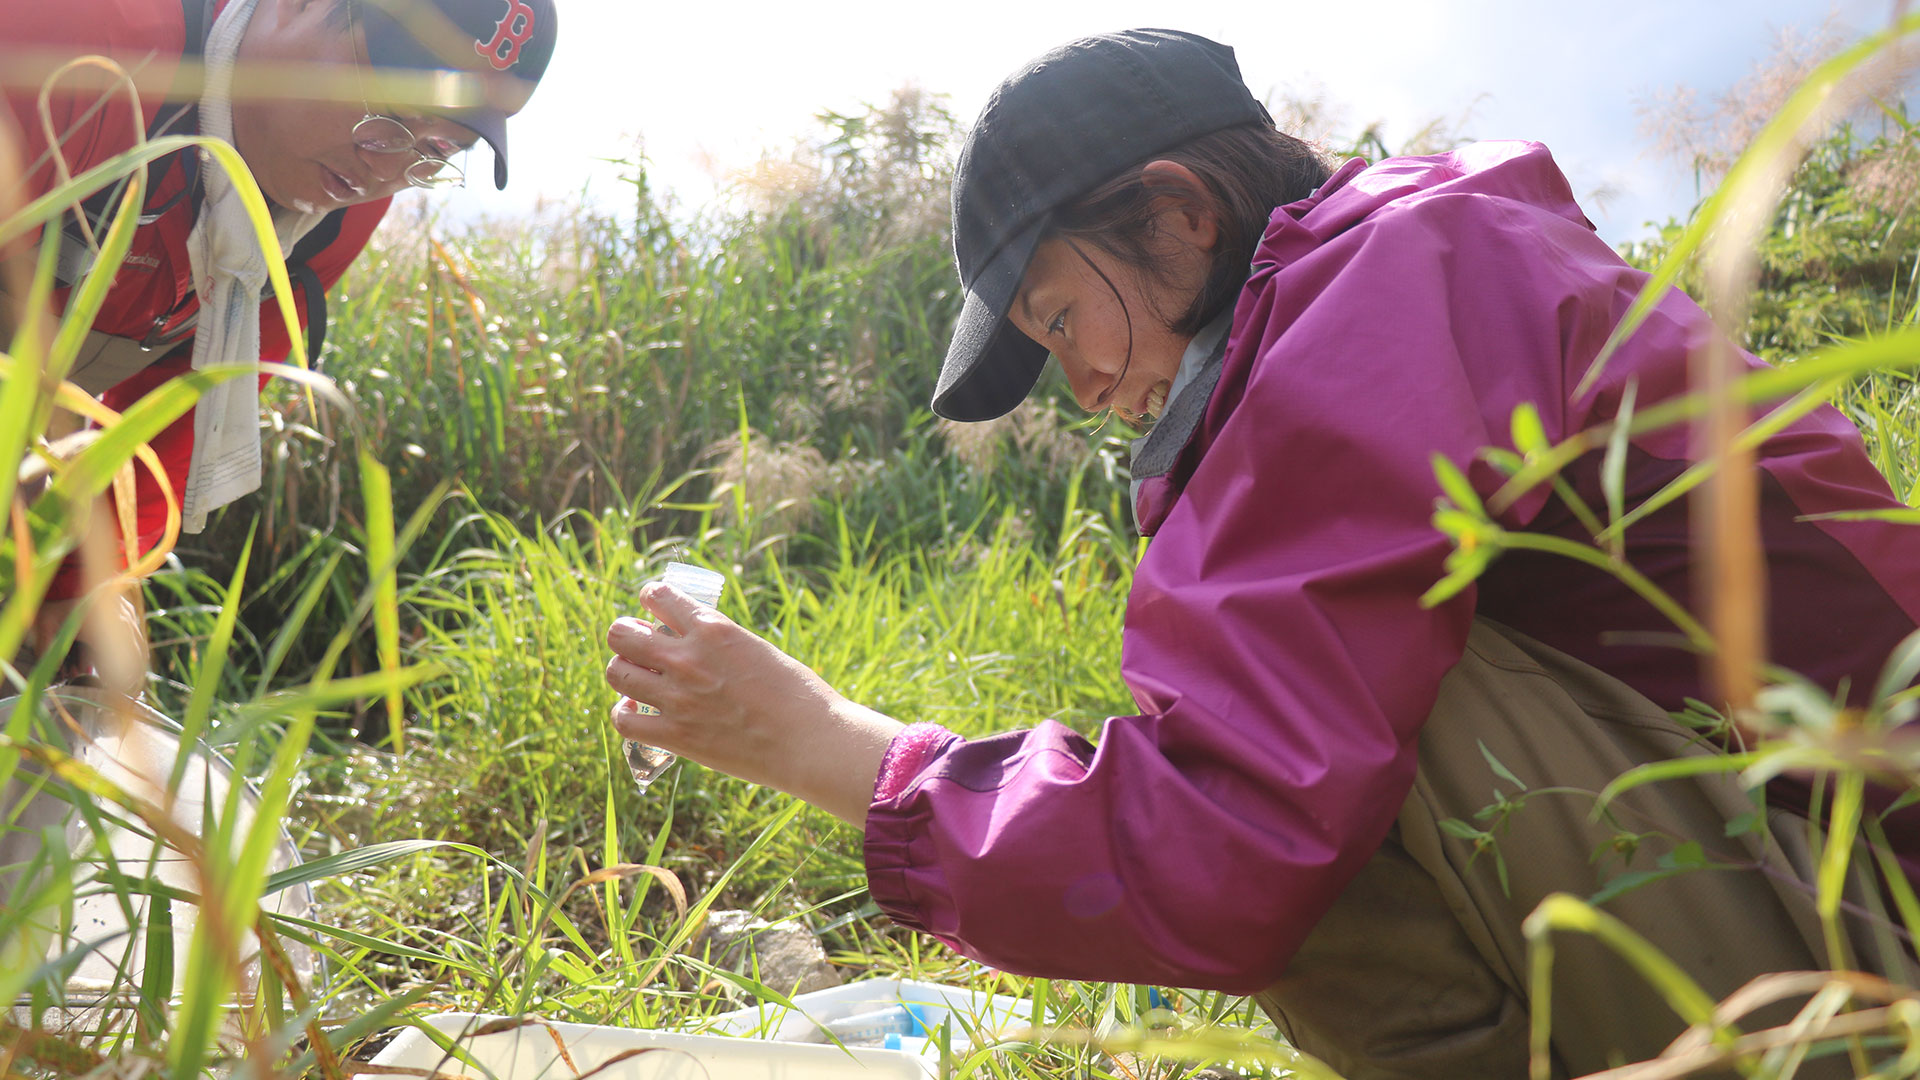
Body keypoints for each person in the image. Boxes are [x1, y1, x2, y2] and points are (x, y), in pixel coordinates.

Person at [603, 29, 1920, 1078]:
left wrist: (835, 746)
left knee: (1352, 748)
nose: (1081, 384)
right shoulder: (1421, 260)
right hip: (1805, 879)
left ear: (1178, 215)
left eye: (1063, 320)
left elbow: (1230, 830)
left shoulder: (1392, 289)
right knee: (1337, 720)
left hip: (1869, 925)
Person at [1, 0, 556, 680]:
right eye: (388, 112)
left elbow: (178, 411)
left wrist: (87, 577)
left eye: (436, 151)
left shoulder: (333, 208)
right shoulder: (86, 46)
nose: (386, 167)